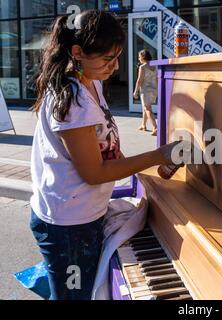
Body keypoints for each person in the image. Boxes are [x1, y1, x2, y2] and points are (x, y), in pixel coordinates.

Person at [29, 10, 181, 300]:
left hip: (79, 217)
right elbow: (94, 172)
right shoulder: (73, 100)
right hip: (68, 227)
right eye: (108, 59)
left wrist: (145, 168)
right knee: (75, 297)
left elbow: (107, 147)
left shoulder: (91, 81)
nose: (115, 66)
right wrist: (158, 155)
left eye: (118, 57)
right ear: (77, 52)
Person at [133, 49, 158, 135]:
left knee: (147, 108)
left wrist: (135, 91)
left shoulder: (142, 67)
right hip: (154, 89)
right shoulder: (156, 66)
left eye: (139, 57)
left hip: (145, 90)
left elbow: (139, 80)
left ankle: (155, 127)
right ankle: (143, 125)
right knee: (145, 107)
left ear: (143, 57)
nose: (139, 58)